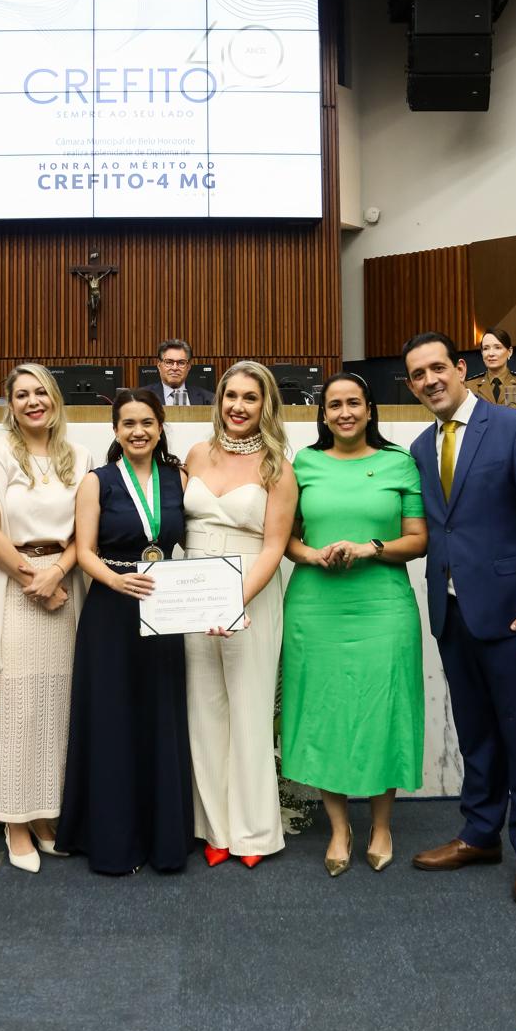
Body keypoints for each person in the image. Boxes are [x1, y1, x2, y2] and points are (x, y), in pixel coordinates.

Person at [403, 332, 516, 904]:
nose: (429, 381)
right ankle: (479, 834)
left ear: (460, 368)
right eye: (418, 374)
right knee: (476, 733)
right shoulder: (422, 447)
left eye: (437, 368)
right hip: (453, 613)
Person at [280, 372, 428, 876]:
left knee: (384, 707)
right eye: (334, 405)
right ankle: (340, 827)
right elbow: (287, 539)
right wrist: (315, 555)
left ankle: (381, 824)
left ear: (369, 410)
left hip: (384, 605)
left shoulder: (399, 463)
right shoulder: (304, 464)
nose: (344, 412)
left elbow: (418, 538)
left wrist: (372, 548)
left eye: (354, 403)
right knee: (323, 710)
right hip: (316, 607)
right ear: (322, 414)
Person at [55, 388, 193, 874]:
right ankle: (113, 840)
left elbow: (189, 544)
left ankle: (163, 840)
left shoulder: (178, 477)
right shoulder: (97, 481)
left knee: (160, 717)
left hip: (164, 611)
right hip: (112, 610)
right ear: (115, 430)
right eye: (128, 423)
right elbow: (85, 550)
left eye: (147, 423)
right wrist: (116, 580)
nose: (138, 431)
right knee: (112, 721)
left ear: (160, 427)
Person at [0, 363, 92, 873]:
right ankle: (14, 821)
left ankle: (46, 815)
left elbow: (83, 533)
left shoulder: (78, 456)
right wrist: (32, 581)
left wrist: (58, 572)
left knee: (58, 703)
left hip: (66, 585)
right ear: (10, 403)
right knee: (14, 703)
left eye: (40, 391)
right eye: (21, 394)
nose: (32, 401)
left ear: (55, 397)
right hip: (14, 585)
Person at [183, 361, 297, 868]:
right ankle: (215, 828)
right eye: (231, 396)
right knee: (203, 711)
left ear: (265, 405)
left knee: (249, 712)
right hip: (192, 590)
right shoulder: (195, 453)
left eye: (250, 398)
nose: (238, 406)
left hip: (250, 591)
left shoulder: (279, 467)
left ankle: (253, 832)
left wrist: (234, 602)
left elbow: (274, 549)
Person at [466, 327, 516, 405]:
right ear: (482, 353)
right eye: (486, 348)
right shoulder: (469, 386)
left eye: (497, 348)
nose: (491, 354)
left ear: (509, 352)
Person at [146, 338, 214, 406]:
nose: (175, 368)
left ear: (188, 367)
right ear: (159, 365)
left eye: (181, 363)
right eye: (169, 362)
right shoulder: (142, 398)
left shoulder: (209, 399)